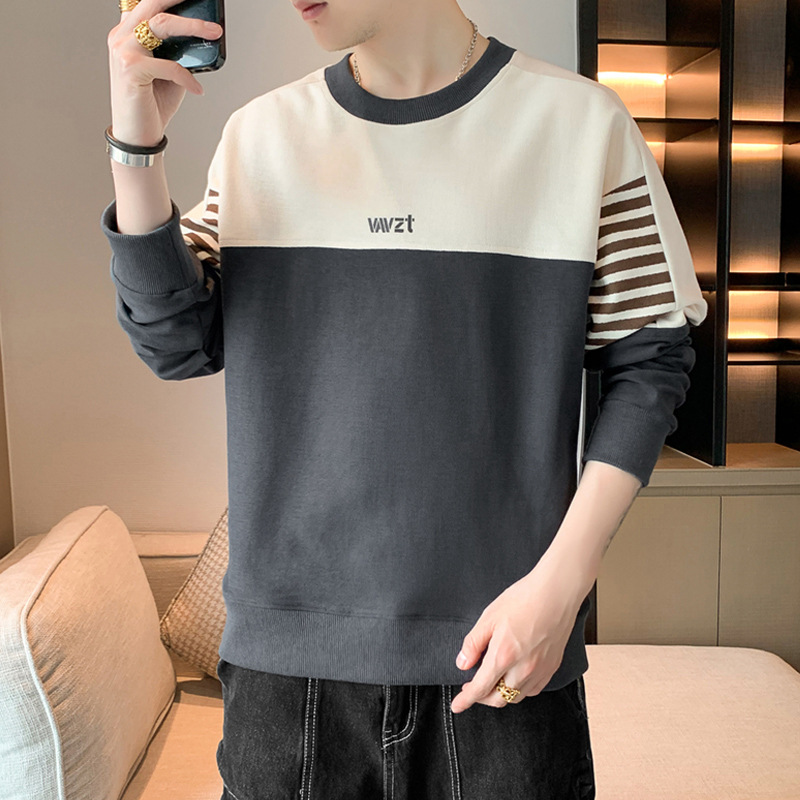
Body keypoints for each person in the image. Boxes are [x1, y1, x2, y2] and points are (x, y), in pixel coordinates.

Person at [101, 0, 708, 797]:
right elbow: (176, 343)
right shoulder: (261, 136)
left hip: (504, 653)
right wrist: (135, 148)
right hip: (288, 680)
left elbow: (651, 364)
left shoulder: (580, 125)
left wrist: (561, 591)